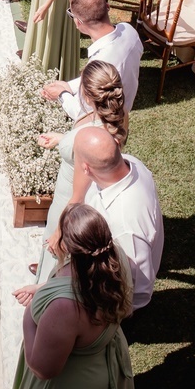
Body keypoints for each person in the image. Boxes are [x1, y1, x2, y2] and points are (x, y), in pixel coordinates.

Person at [0, 203, 136, 389]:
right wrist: (43, 288)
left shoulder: (65, 308)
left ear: (70, 246)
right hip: (103, 375)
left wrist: (30, 316)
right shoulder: (115, 259)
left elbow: (43, 368)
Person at [15, 61, 129, 299]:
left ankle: (45, 293)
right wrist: (62, 139)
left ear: (86, 94)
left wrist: (60, 230)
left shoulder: (93, 132)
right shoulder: (115, 115)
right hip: (77, 191)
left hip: (69, 200)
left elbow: (77, 198)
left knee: (57, 252)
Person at [75, 129, 164, 311]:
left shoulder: (125, 226)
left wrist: (118, 313)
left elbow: (140, 287)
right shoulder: (130, 162)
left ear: (86, 169)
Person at [41, 0, 144, 119]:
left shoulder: (99, 63)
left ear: (78, 22)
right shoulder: (129, 31)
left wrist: (61, 94)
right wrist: (69, 86)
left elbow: (80, 111)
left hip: (104, 121)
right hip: (124, 110)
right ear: (107, 7)